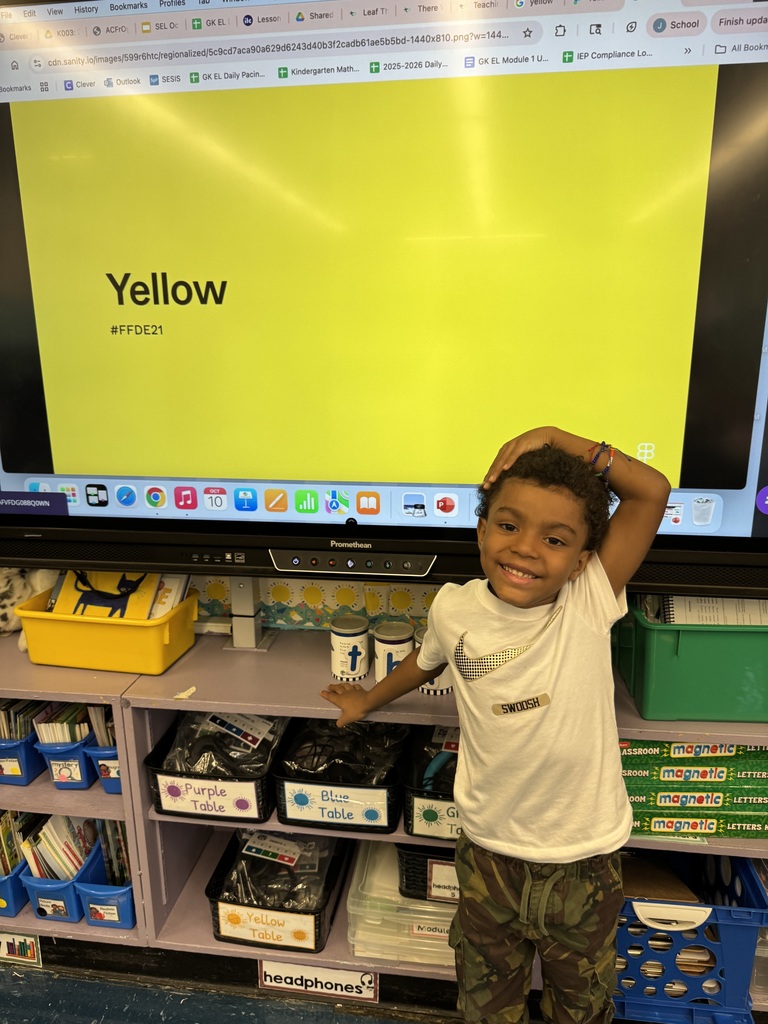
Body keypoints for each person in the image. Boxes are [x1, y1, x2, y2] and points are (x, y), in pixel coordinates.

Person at [321, 426, 671, 1024]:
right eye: (509, 526)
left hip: (581, 861)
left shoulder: (588, 599)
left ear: (582, 560)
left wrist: (558, 437)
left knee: (582, 1007)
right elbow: (424, 661)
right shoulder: (454, 608)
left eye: (554, 539)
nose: (526, 548)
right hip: (487, 855)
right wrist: (367, 700)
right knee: (486, 1005)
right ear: (482, 531)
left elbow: (651, 492)